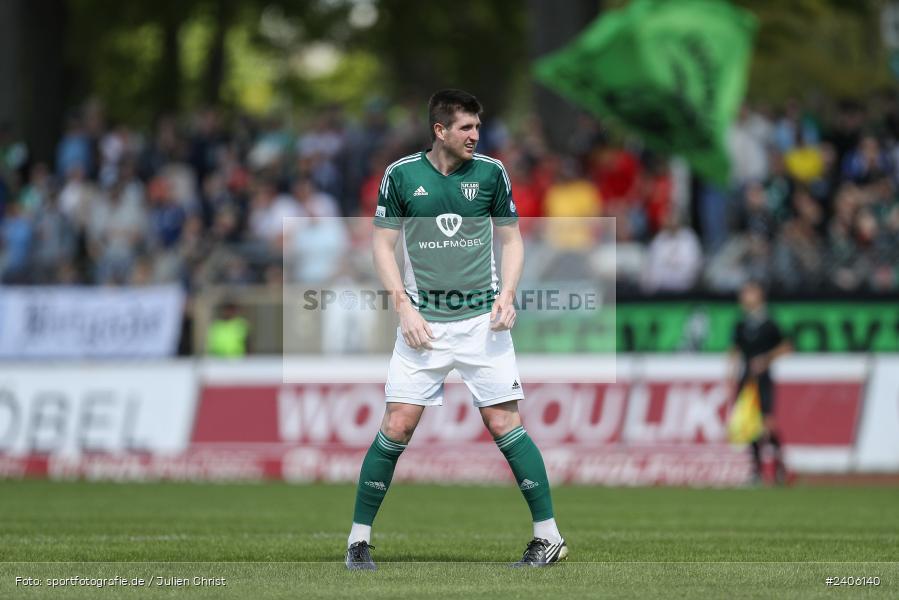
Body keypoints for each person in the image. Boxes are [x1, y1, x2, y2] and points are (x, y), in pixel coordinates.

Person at [345, 89, 567, 570]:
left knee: (504, 422)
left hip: (481, 323)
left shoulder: (491, 173)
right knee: (397, 424)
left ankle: (548, 537)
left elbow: (511, 241)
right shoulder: (400, 176)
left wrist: (507, 296)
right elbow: (382, 248)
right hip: (422, 324)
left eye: (478, 127)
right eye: (466, 128)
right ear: (439, 130)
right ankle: (358, 541)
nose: (476, 136)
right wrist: (403, 307)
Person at [728, 281, 792, 485]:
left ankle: (780, 466)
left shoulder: (769, 324)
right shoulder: (741, 324)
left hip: (763, 379)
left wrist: (766, 359)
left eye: (749, 292)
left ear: (759, 296)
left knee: (767, 423)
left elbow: (786, 346)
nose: (744, 296)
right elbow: (735, 350)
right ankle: (755, 471)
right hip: (746, 379)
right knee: (750, 425)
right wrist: (730, 375)